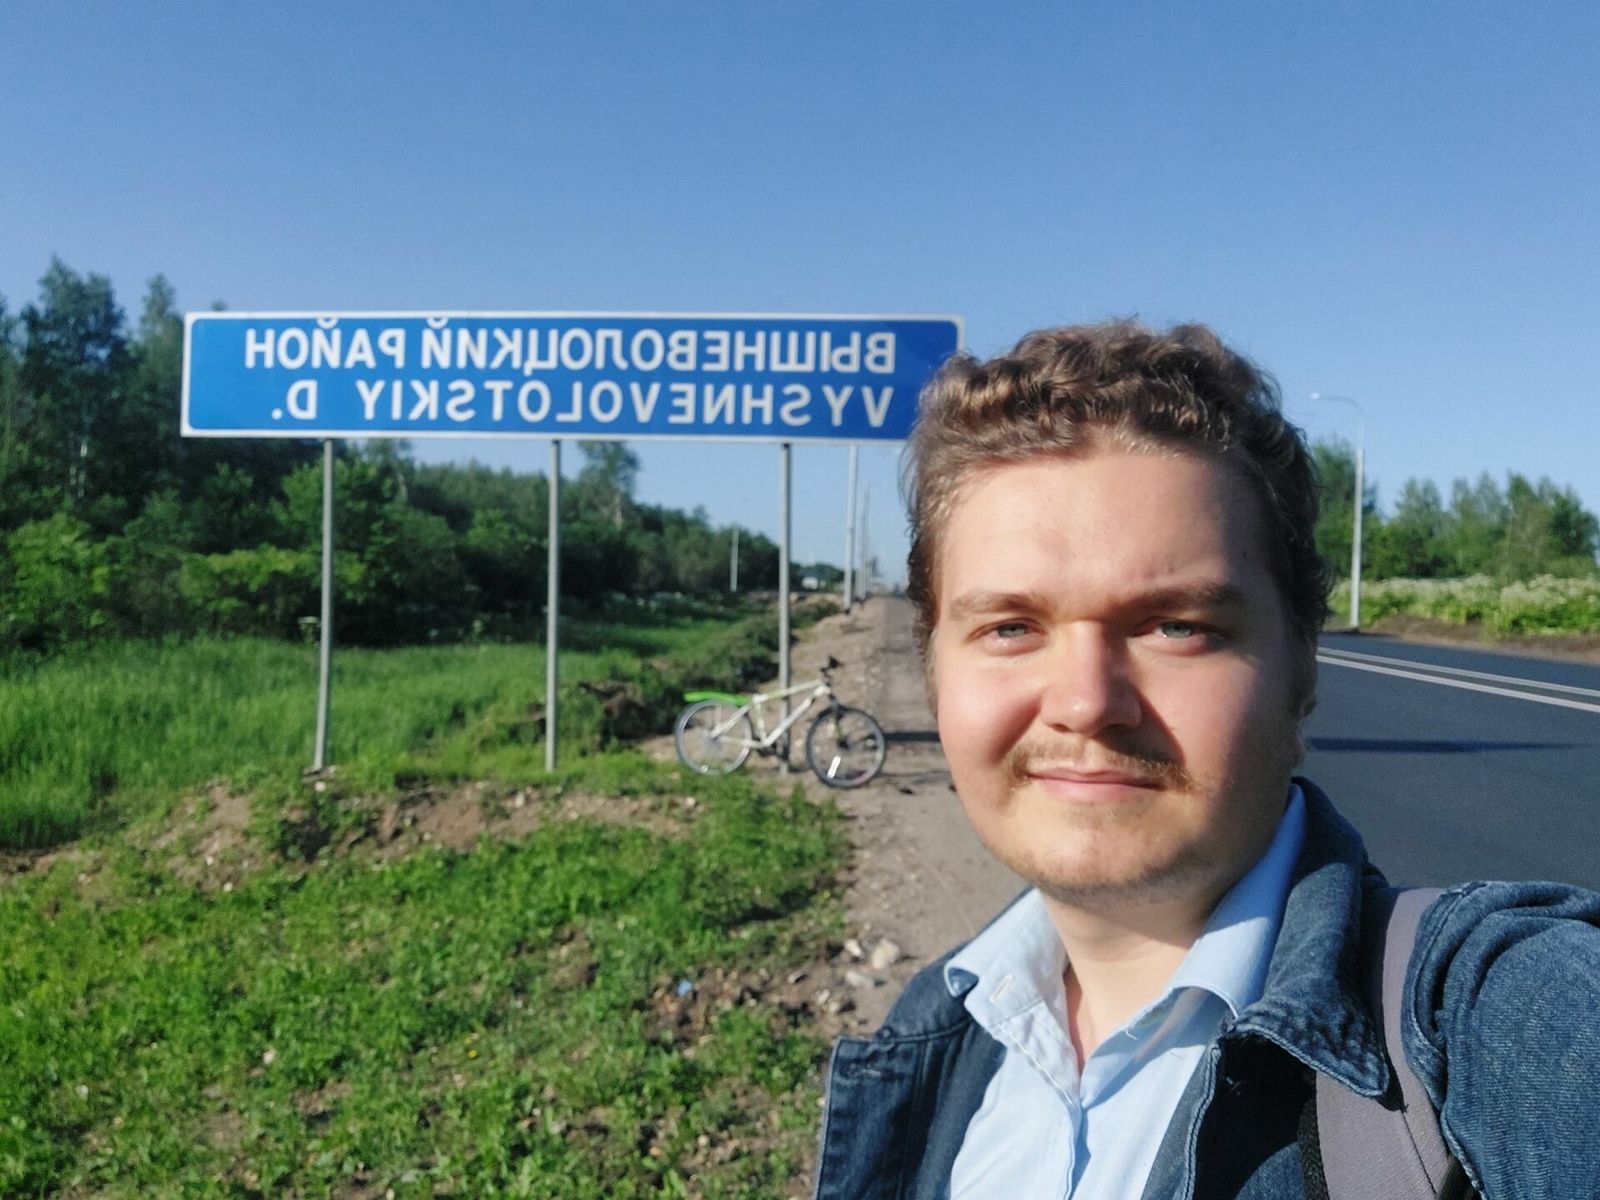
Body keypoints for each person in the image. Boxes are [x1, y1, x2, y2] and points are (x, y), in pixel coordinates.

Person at [812, 320, 1600, 1200]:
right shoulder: (940, 1031)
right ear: (934, 670)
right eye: (1010, 628)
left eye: (1176, 627)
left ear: (1301, 664)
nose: (1085, 702)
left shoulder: (1496, 1022)